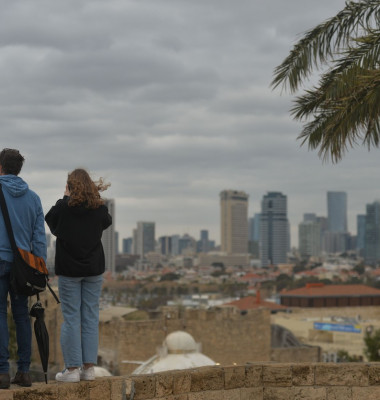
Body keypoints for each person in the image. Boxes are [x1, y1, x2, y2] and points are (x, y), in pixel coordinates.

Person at [45, 168, 111, 383]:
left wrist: (65, 197)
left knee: (72, 319)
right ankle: (89, 369)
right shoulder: (98, 208)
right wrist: (94, 196)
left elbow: (50, 219)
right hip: (93, 269)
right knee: (90, 318)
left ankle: (72, 369)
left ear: (70, 186)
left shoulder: (64, 207)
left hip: (70, 270)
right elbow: (106, 221)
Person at [0, 148, 47, 389]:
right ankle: (25, 371)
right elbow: (39, 239)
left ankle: (2, 372)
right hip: (23, 266)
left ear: (1, 167)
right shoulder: (34, 198)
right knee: (21, 316)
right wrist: (40, 265)